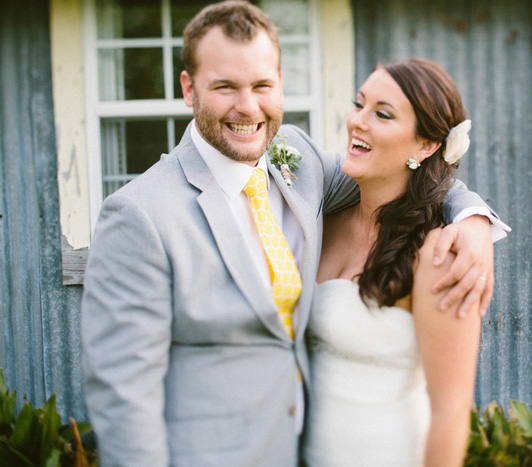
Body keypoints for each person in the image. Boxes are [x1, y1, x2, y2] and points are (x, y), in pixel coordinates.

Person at [80, 2, 507, 466]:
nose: (248, 106)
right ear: (189, 87)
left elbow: (408, 179)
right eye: (225, 86)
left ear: (280, 82)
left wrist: (473, 220)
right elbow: (123, 395)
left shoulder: (296, 161)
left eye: (262, 85)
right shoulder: (139, 214)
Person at [303, 58, 485, 466]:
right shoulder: (319, 223)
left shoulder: (438, 253)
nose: (357, 122)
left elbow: (451, 411)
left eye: (382, 114)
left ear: (425, 145)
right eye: (359, 104)